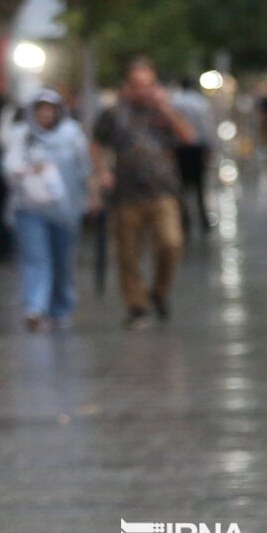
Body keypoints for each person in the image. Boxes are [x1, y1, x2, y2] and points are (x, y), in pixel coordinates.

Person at [92, 57, 196, 329]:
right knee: (128, 253)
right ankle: (136, 306)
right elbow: (95, 143)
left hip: (162, 189)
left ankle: (159, 292)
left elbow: (188, 138)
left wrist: (167, 109)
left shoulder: (164, 113)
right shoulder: (114, 114)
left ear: (156, 86)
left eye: (147, 85)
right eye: (136, 86)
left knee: (171, 243)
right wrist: (102, 172)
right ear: (127, 87)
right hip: (126, 192)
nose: (142, 91)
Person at [2, 90, 95, 330]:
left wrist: (93, 196)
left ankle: (60, 306)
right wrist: (28, 170)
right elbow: (7, 169)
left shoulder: (71, 134)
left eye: (48, 110)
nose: (44, 114)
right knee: (35, 258)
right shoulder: (20, 134)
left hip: (66, 210)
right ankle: (35, 307)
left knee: (62, 260)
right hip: (29, 207)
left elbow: (84, 167)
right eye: (39, 110)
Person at [170, 77, 214, 234]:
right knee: (200, 185)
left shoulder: (175, 102)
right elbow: (207, 127)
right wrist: (211, 148)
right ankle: (203, 219)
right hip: (197, 147)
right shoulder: (201, 102)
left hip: (179, 148)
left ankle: (185, 219)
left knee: (182, 185)